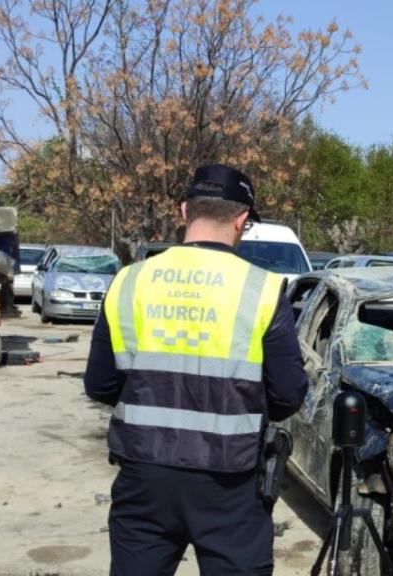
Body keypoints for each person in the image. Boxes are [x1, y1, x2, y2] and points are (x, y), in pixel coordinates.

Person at [84, 164, 309, 575]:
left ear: (183, 210)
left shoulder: (128, 282)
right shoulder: (261, 288)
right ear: (242, 220)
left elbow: (99, 384)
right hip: (231, 482)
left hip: (144, 477)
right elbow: (288, 395)